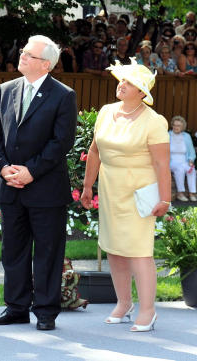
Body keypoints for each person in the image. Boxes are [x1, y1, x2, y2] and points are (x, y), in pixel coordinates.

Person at [0, 35, 77, 331]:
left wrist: (31, 171)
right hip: (10, 186)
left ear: (46, 65)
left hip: (46, 189)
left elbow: (60, 142)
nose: (21, 56)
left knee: (49, 252)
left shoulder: (63, 95)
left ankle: (46, 311)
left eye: (28, 54)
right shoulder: (6, 89)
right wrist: (2, 169)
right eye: (23, 51)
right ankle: (16, 307)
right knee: (12, 251)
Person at [80, 64, 170, 331]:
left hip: (140, 191)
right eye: (121, 81)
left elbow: (162, 164)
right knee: (115, 249)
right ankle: (123, 303)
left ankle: (148, 310)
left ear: (142, 92)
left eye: (128, 83)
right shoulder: (106, 112)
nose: (121, 85)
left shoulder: (154, 121)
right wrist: (88, 186)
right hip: (110, 188)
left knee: (139, 251)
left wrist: (165, 199)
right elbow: (94, 152)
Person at [167, 116, 196, 201]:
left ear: (182, 127)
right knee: (180, 169)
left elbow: (191, 152)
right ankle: (180, 193)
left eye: (178, 125)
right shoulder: (168, 135)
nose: (176, 127)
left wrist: (191, 160)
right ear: (172, 125)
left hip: (184, 161)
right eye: (174, 125)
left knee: (192, 170)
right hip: (171, 162)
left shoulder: (186, 136)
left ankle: (192, 193)